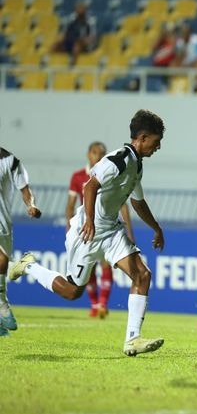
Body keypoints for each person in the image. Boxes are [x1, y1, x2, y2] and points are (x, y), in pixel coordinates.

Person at [10, 110, 166, 356]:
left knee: (143, 275)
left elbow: (137, 202)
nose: (158, 147)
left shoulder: (137, 165)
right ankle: (28, 266)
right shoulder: (118, 159)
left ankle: (132, 340)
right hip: (88, 232)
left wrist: (156, 228)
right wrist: (90, 220)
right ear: (143, 137)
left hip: (112, 231)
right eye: (157, 142)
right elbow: (89, 186)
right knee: (73, 292)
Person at [66, 141, 134, 318]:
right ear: (88, 154)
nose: (98, 155)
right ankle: (94, 304)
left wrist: (130, 232)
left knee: (105, 264)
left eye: (101, 152)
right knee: (87, 269)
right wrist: (69, 228)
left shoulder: (109, 172)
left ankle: (102, 303)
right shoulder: (78, 176)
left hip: (106, 225)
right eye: (95, 152)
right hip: (86, 226)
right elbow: (70, 206)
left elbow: (123, 204)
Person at [0, 148, 41, 337]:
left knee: (2, 261)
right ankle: (2, 305)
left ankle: (1, 301)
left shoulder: (10, 160)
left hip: (3, 223)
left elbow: (24, 189)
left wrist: (30, 205)